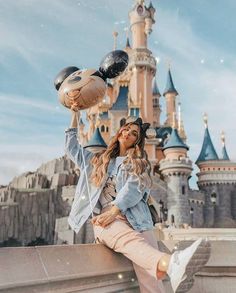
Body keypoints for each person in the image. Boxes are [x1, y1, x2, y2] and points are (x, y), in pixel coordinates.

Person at [65, 110, 209, 293]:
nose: (128, 134)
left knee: (150, 281)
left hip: (138, 219)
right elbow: (72, 147)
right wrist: (75, 114)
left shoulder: (139, 163)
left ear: (137, 141)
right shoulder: (97, 161)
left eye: (134, 134)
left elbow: (134, 188)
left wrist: (115, 210)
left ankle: (172, 266)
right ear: (119, 132)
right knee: (132, 243)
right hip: (106, 220)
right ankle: (172, 263)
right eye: (126, 129)